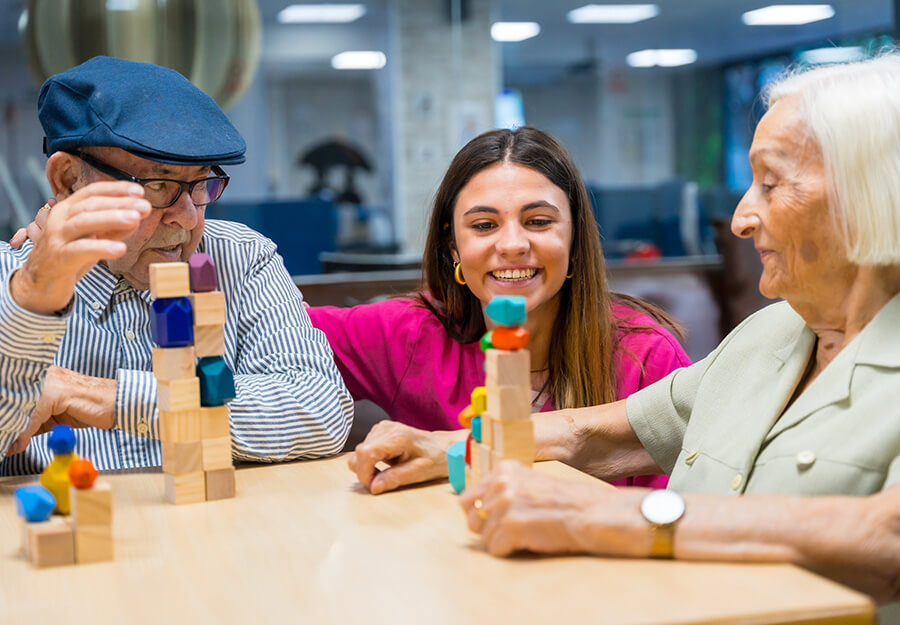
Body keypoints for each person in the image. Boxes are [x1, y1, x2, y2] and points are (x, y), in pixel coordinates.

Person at [446, 55, 899, 606]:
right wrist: (445, 447)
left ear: (869, 193)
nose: (740, 218)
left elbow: (885, 535)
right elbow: (602, 434)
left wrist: (612, 516)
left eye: (772, 183)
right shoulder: (772, 332)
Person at [0, 56, 353, 475]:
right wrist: (35, 296)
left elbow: (319, 409)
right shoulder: (11, 279)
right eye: (158, 185)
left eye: (201, 183)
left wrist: (108, 398)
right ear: (69, 180)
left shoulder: (240, 259)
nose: (187, 218)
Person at [311, 126, 691, 495]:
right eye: (484, 225)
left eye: (538, 221)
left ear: (575, 240)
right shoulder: (408, 334)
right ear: (453, 248)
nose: (512, 244)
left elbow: (687, 502)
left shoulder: (647, 358)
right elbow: (276, 330)